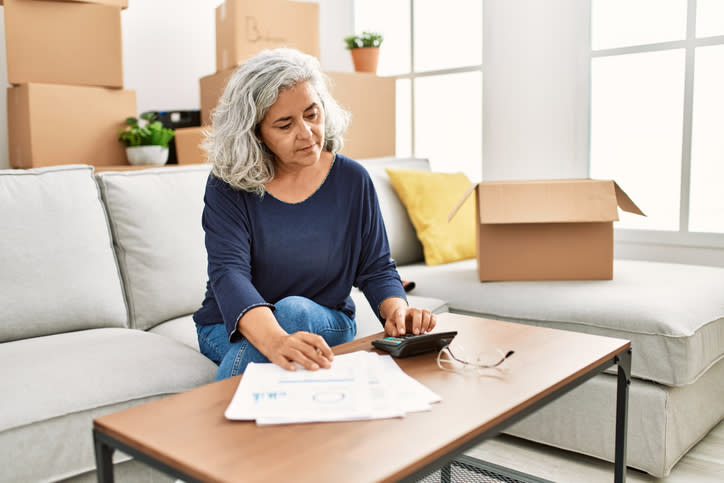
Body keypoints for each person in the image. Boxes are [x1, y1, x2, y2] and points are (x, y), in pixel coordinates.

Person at [193, 48, 436, 380]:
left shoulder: (353, 180)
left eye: (312, 114)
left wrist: (398, 310)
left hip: (323, 317)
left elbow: (376, 268)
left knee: (293, 311)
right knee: (282, 339)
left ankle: (220, 425)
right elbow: (229, 275)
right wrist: (276, 340)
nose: (307, 133)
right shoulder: (228, 185)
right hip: (227, 327)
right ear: (255, 134)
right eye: (284, 124)